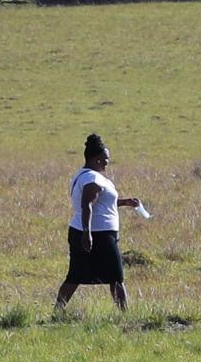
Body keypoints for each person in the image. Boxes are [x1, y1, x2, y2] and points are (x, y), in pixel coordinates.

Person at [55, 133, 140, 311]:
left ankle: (58, 310)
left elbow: (100, 203)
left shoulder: (85, 175)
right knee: (116, 276)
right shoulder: (92, 179)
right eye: (105, 159)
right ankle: (126, 315)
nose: (108, 162)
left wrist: (124, 202)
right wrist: (88, 233)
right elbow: (87, 204)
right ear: (96, 159)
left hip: (90, 231)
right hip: (97, 235)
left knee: (76, 275)